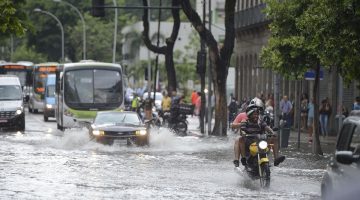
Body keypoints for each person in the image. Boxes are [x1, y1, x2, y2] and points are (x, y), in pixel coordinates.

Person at [232, 97, 285, 167]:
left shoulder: (261, 121)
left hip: (260, 139)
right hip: (248, 140)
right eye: (254, 113)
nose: (256, 114)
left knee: (274, 138)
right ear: (249, 114)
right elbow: (240, 129)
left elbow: (267, 127)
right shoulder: (245, 121)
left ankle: (276, 158)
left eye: (258, 112)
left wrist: (272, 133)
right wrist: (242, 126)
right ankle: (241, 159)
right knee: (239, 139)